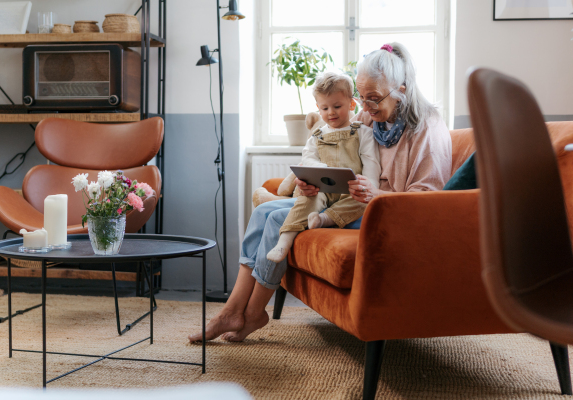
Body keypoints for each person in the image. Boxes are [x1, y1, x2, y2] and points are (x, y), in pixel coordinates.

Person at [188, 42, 451, 343]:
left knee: (275, 220)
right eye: (362, 99)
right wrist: (312, 180)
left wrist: (376, 194)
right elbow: (337, 156)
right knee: (263, 212)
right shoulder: (370, 117)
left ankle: (250, 314)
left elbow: (430, 202)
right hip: (352, 201)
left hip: (386, 214)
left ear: (402, 88)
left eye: (374, 98)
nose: (366, 108)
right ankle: (232, 311)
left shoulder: (428, 129)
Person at [266, 71, 381, 263]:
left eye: (337, 106)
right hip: (322, 189)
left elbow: (371, 162)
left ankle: (324, 219)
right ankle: (283, 243)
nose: (331, 113)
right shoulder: (317, 135)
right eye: (325, 108)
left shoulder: (363, 132)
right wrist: (318, 170)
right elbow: (308, 158)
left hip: (351, 191)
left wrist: (368, 185)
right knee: (307, 199)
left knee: (363, 202)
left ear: (352, 104)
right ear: (318, 108)